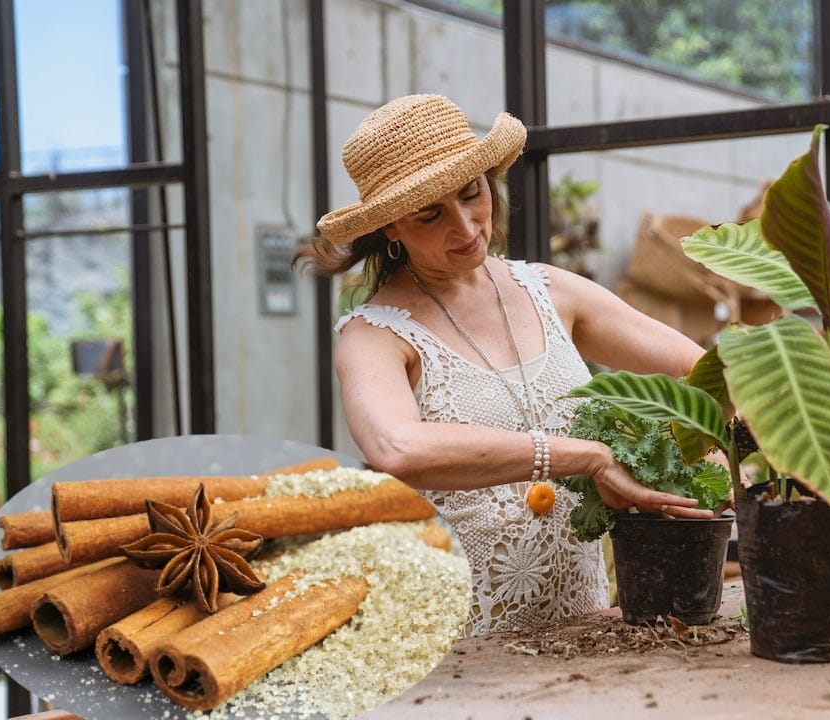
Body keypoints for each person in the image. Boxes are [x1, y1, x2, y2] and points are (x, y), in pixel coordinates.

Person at [293, 94, 717, 635]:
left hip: (581, 634)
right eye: (430, 215)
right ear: (391, 228)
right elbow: (396, 448)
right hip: (454, 646)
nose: (466, 226)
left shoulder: (552, 291)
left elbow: (698, 371)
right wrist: (582, 457)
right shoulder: (373, 334)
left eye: (472, 194)